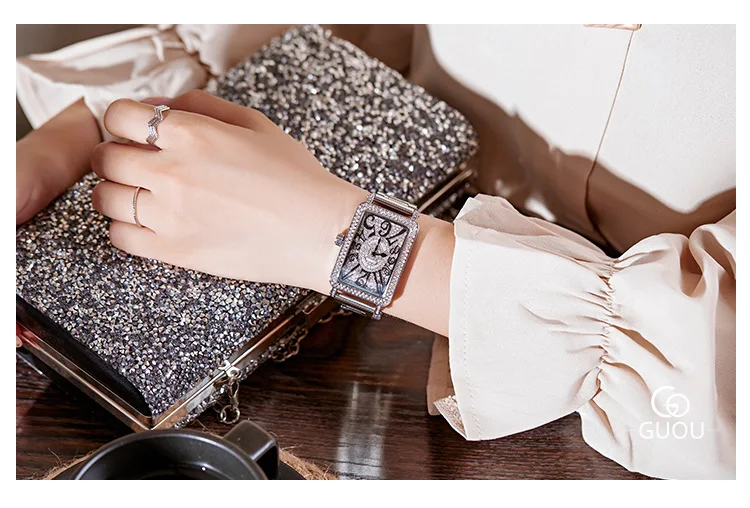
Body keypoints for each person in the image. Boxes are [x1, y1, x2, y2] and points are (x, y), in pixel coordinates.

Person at [16, 24, 735, 479]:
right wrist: (92, 130)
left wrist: (339, 235)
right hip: (347, 188)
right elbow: (351, 35)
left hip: (585, 411)